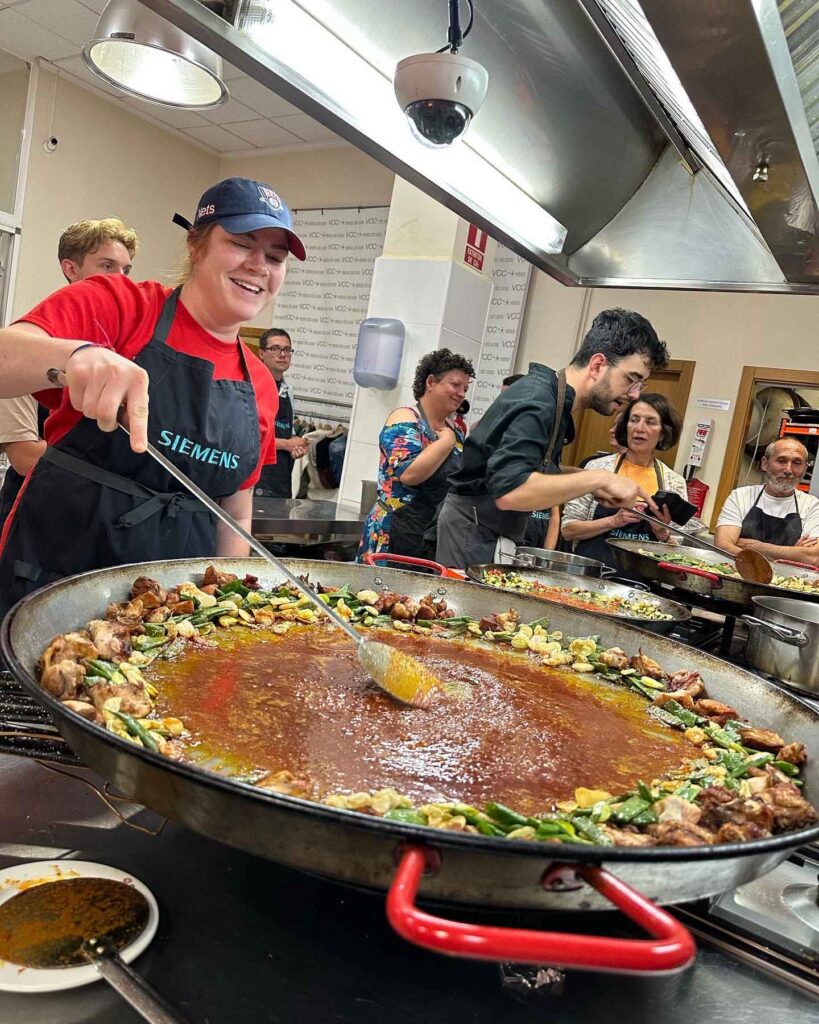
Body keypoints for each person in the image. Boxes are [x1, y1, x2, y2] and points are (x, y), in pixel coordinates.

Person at [0, 177, 305, 617]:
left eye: (275, 257)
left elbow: (234, 514)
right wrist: (74, 354)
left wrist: (224, 611)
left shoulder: (259, 383)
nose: (259, 265)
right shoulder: (120, 304)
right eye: (241, 243)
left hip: (168, 616)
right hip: (53, 580)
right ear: (196, 245)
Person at [435, 308, 668, 568]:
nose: (635, 394)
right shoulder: (539, 400)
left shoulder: (557, 401)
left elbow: (535, 469)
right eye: (631, 379)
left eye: (640, 385)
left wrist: (588, 483)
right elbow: (512, 490)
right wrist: (598, 477)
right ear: (598, 365)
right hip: (472, 531)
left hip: (491, 531)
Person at [0, 218, 140, 527]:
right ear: (71, 269)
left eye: (126, 270)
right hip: (38, 513)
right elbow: (24, 458)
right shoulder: (27, 348)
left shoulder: (126, 346)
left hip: (106, 518)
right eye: (107, 266)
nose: (120, 280)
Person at [357, 348, 474, 560]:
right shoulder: (405, 418)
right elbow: (409, 474)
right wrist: (446, 442)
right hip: (393, 532)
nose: (461, 394)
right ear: (430, 382)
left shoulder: (455, 429)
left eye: (465, 388)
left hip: (429, 534)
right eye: (455, 385)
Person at [561, 393, 687, 568]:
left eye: (650, 422)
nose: (639, 428)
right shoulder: (597, 469)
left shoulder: (674, 483)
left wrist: (661, 532)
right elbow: (568, 530)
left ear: (664, 434)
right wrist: (614, 521)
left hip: (642, 585)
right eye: (634, 420)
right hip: (589, 575)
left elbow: (677, 555)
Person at [714, 438, 819, 565]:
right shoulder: (740, 496)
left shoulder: (812, 506)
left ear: (805, 468)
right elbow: (723, 546)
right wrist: (794, 552)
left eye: (797, 463)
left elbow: (813, 558)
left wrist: (756, 546)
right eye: (781, 461)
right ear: (765, 463)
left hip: (788, 582)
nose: (788, 470)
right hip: (739, 574)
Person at [254, 327, 309, 497]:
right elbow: (248, 438)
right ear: (262, 353)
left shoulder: (287, 391)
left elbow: (287, 434)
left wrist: (296, 447)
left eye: (287, 349)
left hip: (281, 482)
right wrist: (286, 444)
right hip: (256, 481)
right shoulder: (251, 387)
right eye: (275, 348)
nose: (282, 354)